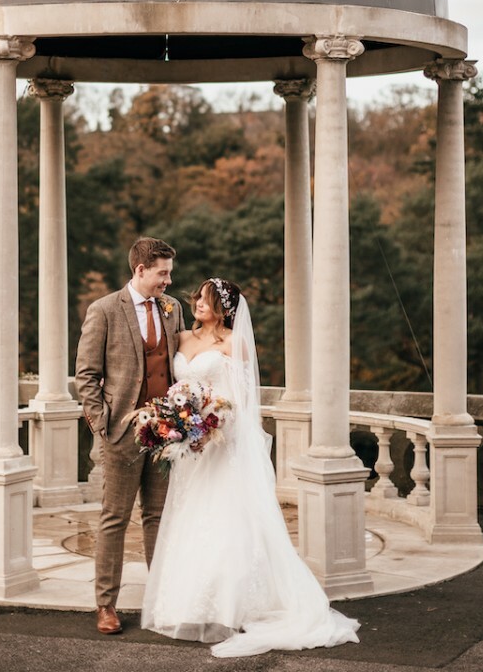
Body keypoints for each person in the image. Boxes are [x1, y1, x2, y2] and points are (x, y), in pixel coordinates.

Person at [141, 278, 360, 657]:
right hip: (189, 448)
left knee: (226, 518)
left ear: (224, 307)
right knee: (189, 516)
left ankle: (233, 603)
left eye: (206, 300)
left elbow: (240, 400)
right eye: (197, 298)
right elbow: (174, 387)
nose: (198, 304)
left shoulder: (234, 342)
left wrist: (210, 426)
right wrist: (176, 423)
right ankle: (186, 602)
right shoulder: (183, 340)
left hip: (222, 443)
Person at [75, 237, 185, 635]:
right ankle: (106, 606)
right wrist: (101, 424)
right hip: (121, 432)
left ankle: (162, 600)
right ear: (140, 270)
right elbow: (85, 375)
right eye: (163, 273)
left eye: (169, 273)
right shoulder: (104, 310)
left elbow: (177, 368)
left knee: (157, 519)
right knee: (114, 520)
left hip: (165, 434)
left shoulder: (173, 310)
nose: (168, 282)